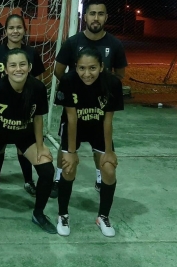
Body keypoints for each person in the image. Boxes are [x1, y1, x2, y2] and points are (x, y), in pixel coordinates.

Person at [0, 48, 55, 234]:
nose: (18, 69)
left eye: (22, 64)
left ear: (30, 67)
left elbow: (38, 119)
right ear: (6, 69)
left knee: (48, 170)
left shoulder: (38, 88)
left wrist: (41, 147)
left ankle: (38, 214)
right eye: (13, 65)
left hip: (25, 135)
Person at [51, 0, 127, 198]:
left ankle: (100, 178)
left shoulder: (115, 44)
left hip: (100, 107)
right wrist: (74, 89)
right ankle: (59, 178)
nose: (96, 18)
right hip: (74, 105)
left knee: (99, 144)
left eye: (100, 14)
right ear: (85, 17)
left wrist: (102, 91)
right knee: (66, 144)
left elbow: (119, 75)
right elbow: (58, 70)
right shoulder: (73, 42)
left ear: (106, 17)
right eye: (92, 13)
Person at [54, 46, 123, 237]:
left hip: (98, 128)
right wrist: (71, 151)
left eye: (92, 68)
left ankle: (103, 216)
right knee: (68, 167)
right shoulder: (68, 81)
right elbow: (71, 118)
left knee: (109, 169)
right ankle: (63, 215)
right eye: (82, 68)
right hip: (74, 126)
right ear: (76, 67)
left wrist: (108, 151)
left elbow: (108, 120)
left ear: (101, 67)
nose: (87, 73)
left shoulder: (112, 83)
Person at [0, 14, 46, 197]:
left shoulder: (32, 53)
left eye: (19, 27)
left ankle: (28, 181)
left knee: (23, 145)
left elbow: (38, 83)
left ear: (24, 30)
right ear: (5, 31)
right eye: (11, 28)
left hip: (24, 108)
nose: (15, 31)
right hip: (1, 109)